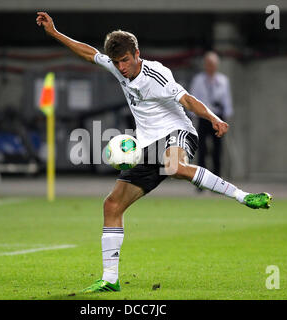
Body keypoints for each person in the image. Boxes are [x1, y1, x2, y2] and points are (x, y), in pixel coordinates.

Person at [36, 12, 272, 293]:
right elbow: (90, 54)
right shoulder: (116, 67)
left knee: (174, 167)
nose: (121, 67)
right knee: (112, 205)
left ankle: (243, 196)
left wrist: (213, 118)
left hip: (177, 132)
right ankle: (110, 279)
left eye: (125, 60)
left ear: (137, 54)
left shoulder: (156, 74)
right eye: (116, 62)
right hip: (147, 145)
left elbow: (187, 99)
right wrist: (55, 33)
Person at [189, 52, 233, 177]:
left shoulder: (223, 80)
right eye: (208, 64)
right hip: (203, 117)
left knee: (217, 150)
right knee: (202, 149)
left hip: (218, 117)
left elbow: (227, 100)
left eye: (212, 64)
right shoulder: (198, 80)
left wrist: (226, 119)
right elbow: (192, 98)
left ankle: (217, 177)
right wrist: (193, 116)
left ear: (216, 65)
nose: (210, 67)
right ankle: (201, 180)